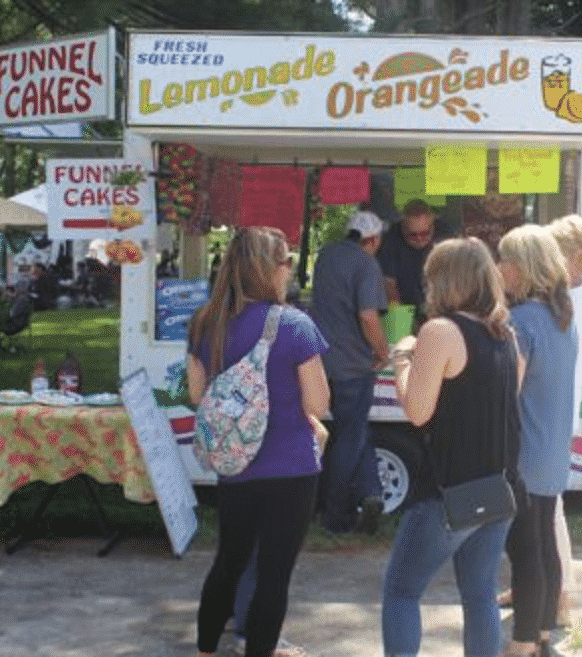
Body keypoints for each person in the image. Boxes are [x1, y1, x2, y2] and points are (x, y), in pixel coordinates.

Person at [187, 226, 330, 657]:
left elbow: (199, 396)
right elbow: (319, 403)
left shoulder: (207, 322)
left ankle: (205, 652)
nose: (289, 272)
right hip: (292, 468)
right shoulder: (295, 326)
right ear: (272, 270)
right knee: (273, 576)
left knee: (228, 563)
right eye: (286, 263)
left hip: (236, 466)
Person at [382, 237, 523, 657]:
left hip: (448, 491)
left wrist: (402, 362)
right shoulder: (506, 334)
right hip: (498, 488)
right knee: (479, 593)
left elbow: (419, 413)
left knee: (402, 592)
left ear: (441, 281)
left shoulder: (440, 331)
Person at [497, 215, 582, 627]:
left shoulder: (522, 322)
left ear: (522, 267)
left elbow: (509, 392)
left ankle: (524, 640)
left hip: (526, 452)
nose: (498, 268)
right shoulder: (562, 317)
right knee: (544, 548)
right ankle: (542, 632)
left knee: (526, 553)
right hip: (552, 447)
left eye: (504, 260)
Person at [310, 210, 390, 534]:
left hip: (320, 360)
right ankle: (337, 515)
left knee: (355, 432)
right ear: (370, 240)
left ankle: (371, 492)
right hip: (353, 365)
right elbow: (369, 316)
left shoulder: (326, 256)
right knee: (348, 436)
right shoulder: (366, 263)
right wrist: (383, 351)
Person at [376, 198, 455, 311]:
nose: (419, 239)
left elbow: (455, 280)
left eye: (424, 233)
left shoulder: (446, 237)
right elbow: (389, 284)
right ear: (403, 228)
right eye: (412, 235)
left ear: (433, 227)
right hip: (405, 303)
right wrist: (400, 319)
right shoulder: (390, 239)